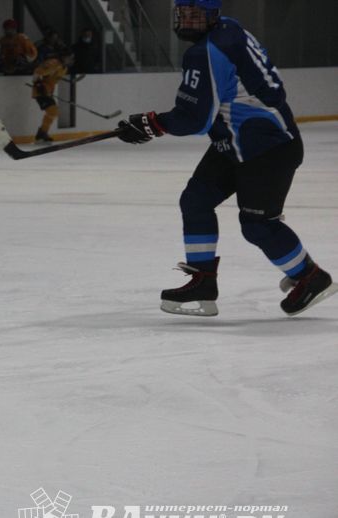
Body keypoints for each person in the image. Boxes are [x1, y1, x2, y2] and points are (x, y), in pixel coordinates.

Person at [116, 0, 335, 317]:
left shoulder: (206, 51)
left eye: (196, 15)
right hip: (235, 140)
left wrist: (151, 124)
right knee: (195, 200)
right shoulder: (228, 28)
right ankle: (203, 280)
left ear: (212, 15)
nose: (188, 21)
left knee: (257, 225)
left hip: (266, 148)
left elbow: (194, 119)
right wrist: (153, 123)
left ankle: (311, 278)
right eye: (183, 14)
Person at [31, 29, 72, 143]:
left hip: (48, 91)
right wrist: (38, 85)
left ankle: (42, 133)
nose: (70, 60)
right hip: (40, 91)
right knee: (53, 110)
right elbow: (37, 72)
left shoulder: (64, 68)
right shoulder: (53, 63)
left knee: (53, 112)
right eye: (69, 57)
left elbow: (53, 79)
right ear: (63, 57)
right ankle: (42, 133)